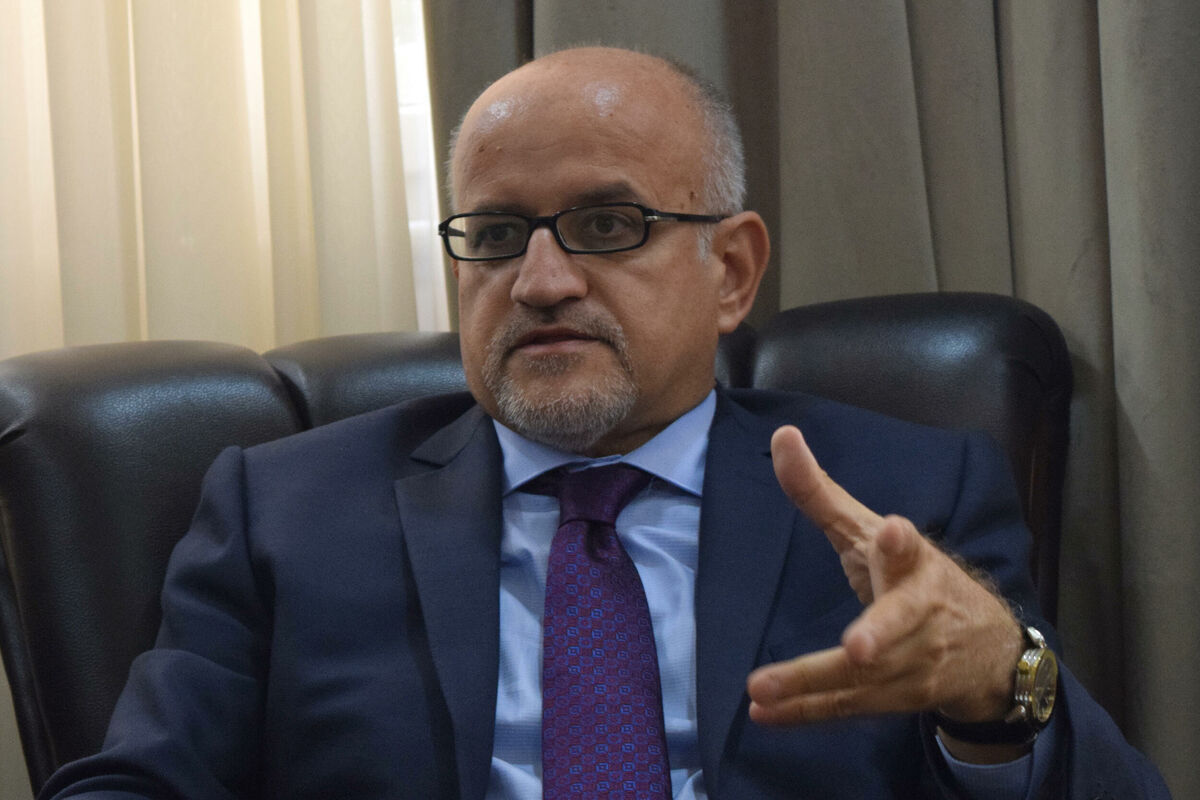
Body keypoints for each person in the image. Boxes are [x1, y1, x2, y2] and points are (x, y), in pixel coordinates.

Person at [41, 46, 1168, 799]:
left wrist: (1000, 687)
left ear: (732, 271)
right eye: (494, 235)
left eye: (606, 223)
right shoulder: (283, 508)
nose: (540, 281)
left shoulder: (908, 490)